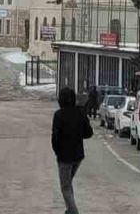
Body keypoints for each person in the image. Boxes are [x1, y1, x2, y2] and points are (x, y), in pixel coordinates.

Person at [52, 86, 92, 214]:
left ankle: (73, 211)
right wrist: (77, 133)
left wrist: (58, 152)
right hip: (78, 156)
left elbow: (55, 138)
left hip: (64, 157)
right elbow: (88, 133)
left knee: (65, 187)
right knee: (68, 184)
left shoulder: (59, 115)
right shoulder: (80, 113)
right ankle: (70, 210)